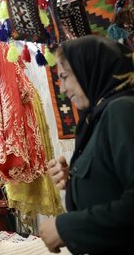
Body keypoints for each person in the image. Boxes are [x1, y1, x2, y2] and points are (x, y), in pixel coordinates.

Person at [40, 35, 134, 254]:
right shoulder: (100, 117)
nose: (62, 88)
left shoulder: (121, 111)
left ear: (89, 69)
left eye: (64, 76)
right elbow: (112, 182)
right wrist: (76, 178)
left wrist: (64, 228)